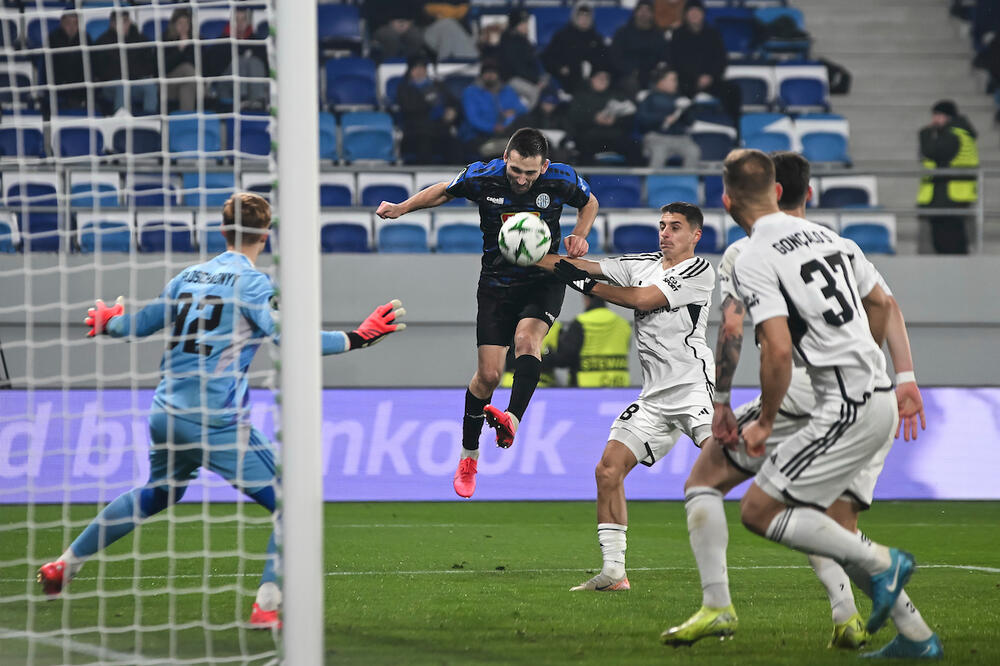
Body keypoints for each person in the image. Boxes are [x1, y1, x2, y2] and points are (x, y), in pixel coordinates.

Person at [36, 193, 407, 629]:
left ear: (222, 230)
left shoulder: (187, 276)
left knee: (158, 492)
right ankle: (266, 606)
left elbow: (137, 326)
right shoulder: (254, 285)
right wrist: (357, 338)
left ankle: (64, 565)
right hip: (215, 421)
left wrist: (108, 321)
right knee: (295, 502)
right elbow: (291, 338)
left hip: (165, 413)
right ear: (265, 236)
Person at [661, 152, 936, 656]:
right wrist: (898, 375)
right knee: (828, 522)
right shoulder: (836, 240)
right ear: (799, 193)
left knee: (714, 483)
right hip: (868, 393)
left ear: (727, 201)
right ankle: (900, 631)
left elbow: (751, 336)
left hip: (819, 394)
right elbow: (884, 304)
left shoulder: (747, 253)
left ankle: (720, 603)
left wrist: (733, 406)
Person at [375, 128, 599, 499]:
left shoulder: (561, 178)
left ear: (544, 166)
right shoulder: (483, 175)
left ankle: (511, 419)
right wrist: (401, 208)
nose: (522, 180)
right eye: (516, 171)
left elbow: (589, 202)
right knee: (489, 375)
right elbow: (443, 191)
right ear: (505, 159)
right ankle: (469, 456)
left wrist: (581, 233)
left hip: (544, 278)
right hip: (497, 284)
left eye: (530, 173)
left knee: (528, 340)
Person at [534, 202, 714, 591]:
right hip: (653, 398)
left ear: (695, 235)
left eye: (675, 227)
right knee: (608, 470)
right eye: (662, 225)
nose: (665, 233)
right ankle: (614, 572)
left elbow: (642, 300)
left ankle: (805, 500)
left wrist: (583, 284)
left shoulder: (699, 270)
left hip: (692, 388)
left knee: (728, 459)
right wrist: (525, 254)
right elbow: (581, 266)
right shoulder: (641, 263)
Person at [917, 100, 979, 254]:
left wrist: (925, 133)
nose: (934, 119)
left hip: (949, 195)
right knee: (951, 239)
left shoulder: (952, 135)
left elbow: (932, 152)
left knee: (948, 240)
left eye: (938, 115)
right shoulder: (960, 133)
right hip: (952, 194)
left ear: (948, 116)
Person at [669, 0, 741, 125]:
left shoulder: (713, 34)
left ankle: (733, 127)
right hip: (686, 81)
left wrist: (710, 76)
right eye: (691, 12)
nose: (694, 15)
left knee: (733, 90)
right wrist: (695, 77)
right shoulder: (678, 34)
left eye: (697, 11)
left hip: (710, 80)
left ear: (703, 14)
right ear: (685, 15)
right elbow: (676, 61)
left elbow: (721, 60)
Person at [543, 293, 631, 387]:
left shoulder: (581, 322)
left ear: (586, 299)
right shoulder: (623, 324)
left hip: (586, 388)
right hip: (619, 386)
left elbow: (565, 357)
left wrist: (546, 358)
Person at [396, 55, 461, 164]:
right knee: (424, 143)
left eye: (422, 68)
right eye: (416, 68)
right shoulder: (404, 88)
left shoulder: (438, 85)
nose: (420, 71)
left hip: (440, 129)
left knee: (455, 144)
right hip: (416, 131)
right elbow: (409, 108)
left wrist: (452, 111)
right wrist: (432, 105)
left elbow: (453, 102)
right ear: (410, 71)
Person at [92, 10, 158, 115]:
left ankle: (149, 119)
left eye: (125, 21)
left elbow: (149, 67)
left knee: (150, 86)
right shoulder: (102, 43)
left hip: (135, 82)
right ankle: (121, 120)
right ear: (112, 24)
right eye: (119, 21)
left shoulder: (141, 40)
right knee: (122, 85)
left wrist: (128, 71)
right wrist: (127, 71)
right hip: (111, 86)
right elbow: (101, 72)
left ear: (129, 22)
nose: (123, 25)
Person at [567, 69, 639, 165]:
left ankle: (633, 174)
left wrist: (614, 120)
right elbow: (574, 117)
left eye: (606, 79)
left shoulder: (617, 96)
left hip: (614, 134)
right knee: (583, 146)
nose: (603, 81)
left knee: (633, 146)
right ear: (592, 79)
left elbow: (629, 115)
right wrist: (594, 118)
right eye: (600, 78)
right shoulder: (581, 96)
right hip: (589, 135)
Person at [458, 60, 527, 160]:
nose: (490, 75)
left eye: (493, 72)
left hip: (504, 132)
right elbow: (473, 119)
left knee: (524, 122)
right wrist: (492, 127)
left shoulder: (507, 91)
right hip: (478, 136)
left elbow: (522, 109)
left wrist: (514, 111)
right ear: (481, 75)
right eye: (486, 72)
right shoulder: (471, 92)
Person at [206, 8, 269, 110]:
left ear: (248, 22)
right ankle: (242, 99)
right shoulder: (222, 41)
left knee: (255, 61)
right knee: (240, 61)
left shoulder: (256, 41)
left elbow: (265, 66)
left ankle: (257, 101)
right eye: (236, 19)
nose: (240, 23)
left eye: (243, 19)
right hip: (226, 84)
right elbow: (213, 69)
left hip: (251, 84)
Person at [636, 68, 700, 167]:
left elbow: (690, 122)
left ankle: (687, 177)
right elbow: (642, 119)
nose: (676, 83)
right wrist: (663, 118)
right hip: (657, 138)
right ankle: (654, 177)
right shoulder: (650, 98)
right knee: (659, 154)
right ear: (661, 82)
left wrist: (687, 110)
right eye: (672, 80)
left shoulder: (680, 98)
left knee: (694, 151)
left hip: (680, 138)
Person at [541, 2, 609, 95]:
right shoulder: (562, 36)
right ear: (575, 18)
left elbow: (604, 59)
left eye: (587, 17)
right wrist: (559, 67)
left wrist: (602, 73)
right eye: (581, 16)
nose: (584, 20)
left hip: (593, 79)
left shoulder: (597, 38)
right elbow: (547, 57)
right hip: (570, 76)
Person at [609, 0, 670, 96]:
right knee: (630, 84)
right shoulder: (622, 33)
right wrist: (631, 70)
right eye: (641, 10)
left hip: (651, 75)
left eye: (647, 10)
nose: (644, 13)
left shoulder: (658, 35)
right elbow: (615, 57)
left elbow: (664, 57)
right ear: (635, 12)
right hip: (627, 75)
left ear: (652, 14)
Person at [48, 11, 88, 111]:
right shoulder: (52, 40)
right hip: (59, 85)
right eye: (68, 23)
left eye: (75, 23)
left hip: (80, 86)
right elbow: (49, 68)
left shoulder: (85, 39)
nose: (72, 27)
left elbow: (90, 66)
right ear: (62, 23)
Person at [163, 8, 198, 112]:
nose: (184, 26)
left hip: (189, 83)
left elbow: (200, 65)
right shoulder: (165, 40)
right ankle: (202, 90)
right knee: (187, 68)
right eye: (180, 23)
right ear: (174, 25)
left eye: (186, 23)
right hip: (168, 85)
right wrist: (180, 49)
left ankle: (186, 120)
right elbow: (163, 68)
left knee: (186, 88)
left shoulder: (195, 41)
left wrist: (188, 46)